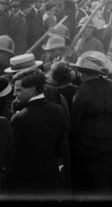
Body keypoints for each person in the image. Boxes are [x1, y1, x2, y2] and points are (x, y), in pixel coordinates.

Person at [69, 51, 112, 198]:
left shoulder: (82, 91)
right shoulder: (111, 85)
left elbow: (76, 120)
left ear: (84, 73)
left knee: (94, 181)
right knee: (111, 177)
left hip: (89, 143)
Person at [8, 68, 69, 197]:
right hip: (51, 177)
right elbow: (60, 146)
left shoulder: (19, 118)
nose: (14, 93)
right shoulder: (58, 110)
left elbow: (14, 155)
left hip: (27, 182)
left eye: (18, 90)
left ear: (33, 89)